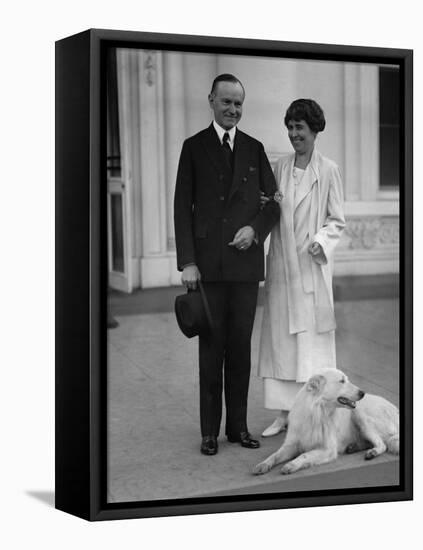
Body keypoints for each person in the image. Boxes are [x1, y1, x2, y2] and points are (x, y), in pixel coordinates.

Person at [174, 74, 280, 455]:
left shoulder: (254, 148)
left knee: (239, 350)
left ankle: (238, 428)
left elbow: (273, 204)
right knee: (211, 350)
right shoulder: (194, 147)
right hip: (208, 269)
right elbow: (181, 207)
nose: (233, 109)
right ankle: (209, 432)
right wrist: (187, 261)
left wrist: (255, 228)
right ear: (211, 101)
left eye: (238, 103)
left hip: (245, 268)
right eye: (226, 102)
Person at [258, 98, 346, 437]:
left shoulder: (328, 170)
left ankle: (314, 412)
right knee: (281, 344)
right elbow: (269, 208)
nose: (295, 134)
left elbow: (337, 219)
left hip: (310, 269)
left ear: (314, 131)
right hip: (283, 267)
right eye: (291, 127)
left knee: (310, 345)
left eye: (301, 128)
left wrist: (321, 241)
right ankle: (283, 413)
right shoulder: (279, 167)